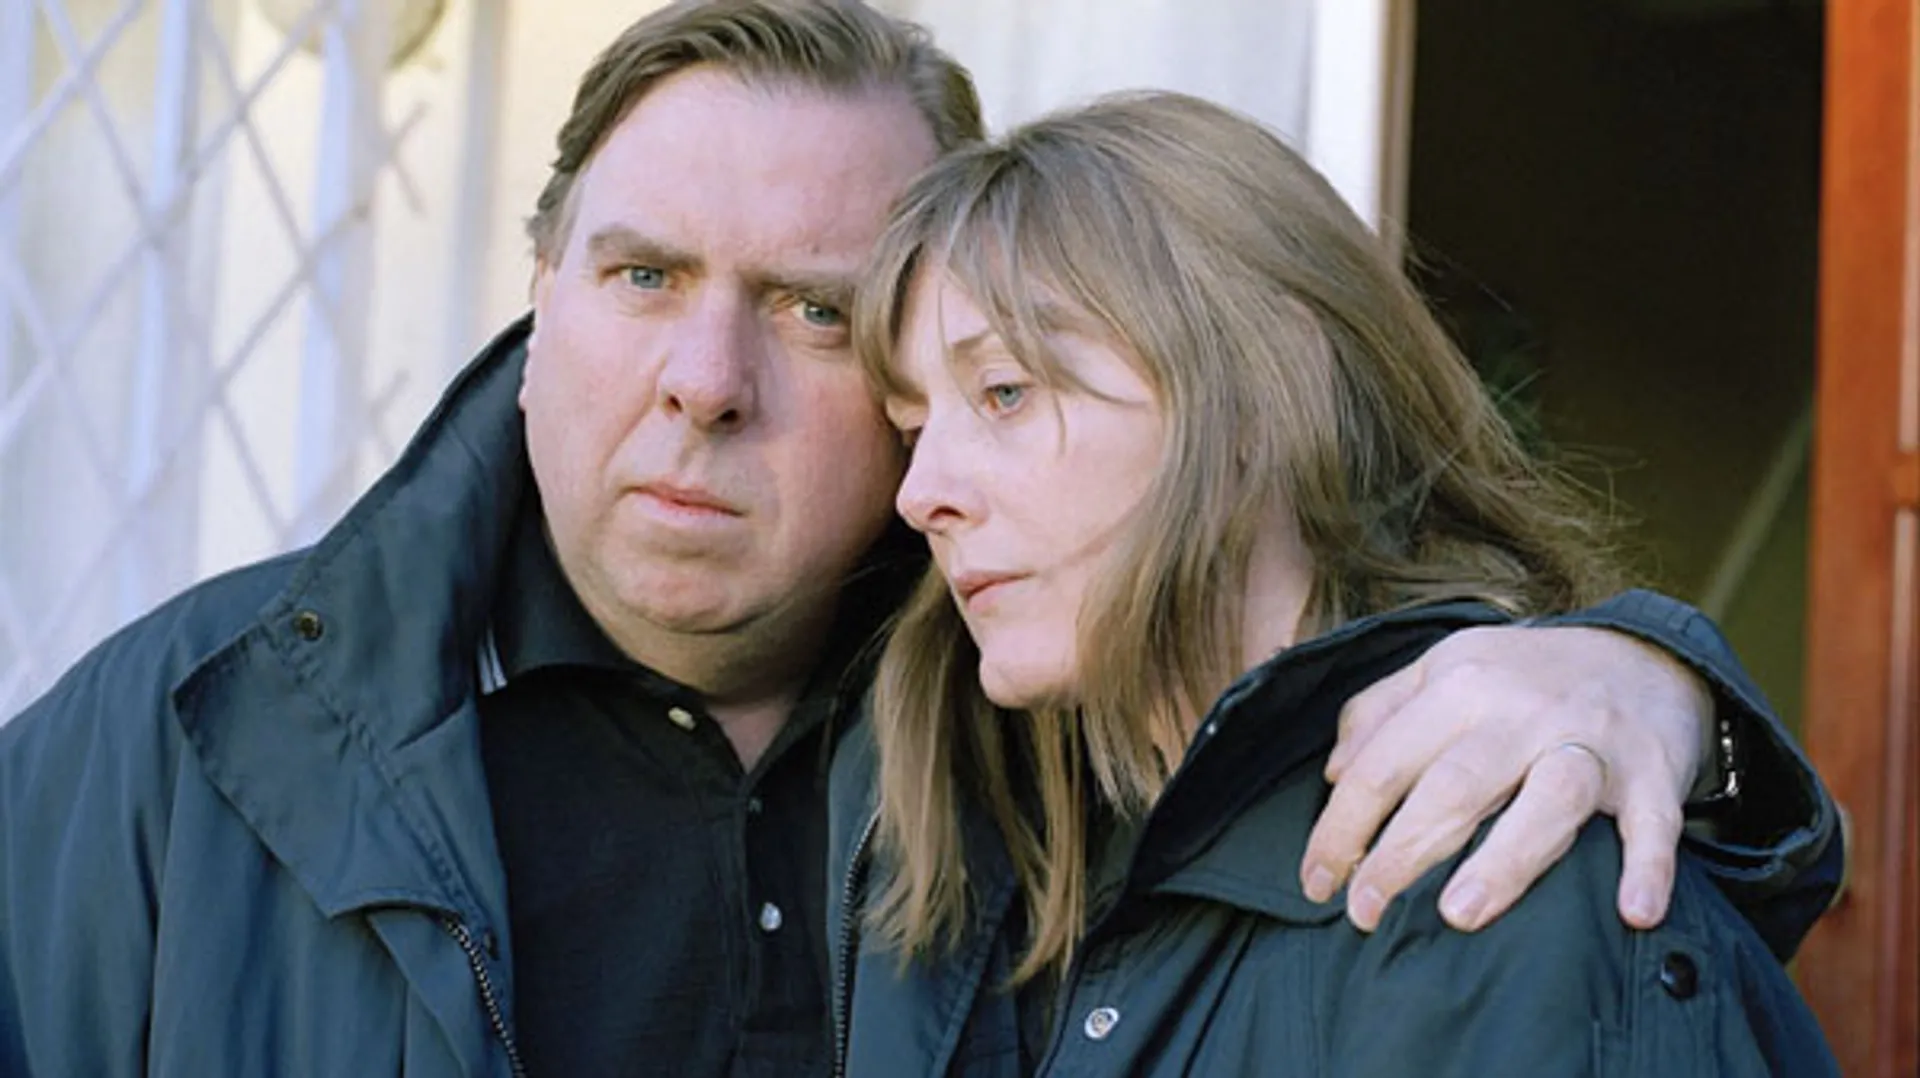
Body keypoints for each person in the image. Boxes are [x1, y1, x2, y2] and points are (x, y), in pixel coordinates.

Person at [0, 2, 1835, 1076]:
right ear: (540, 284)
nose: (705, 379)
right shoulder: (173, 752)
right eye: (642, 275)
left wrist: (1657, 686)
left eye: (813, 312)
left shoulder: (1068, 718)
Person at [832, 90, 1837, 1077]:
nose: (922, 495)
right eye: (914, 430)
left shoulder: (1499, 868)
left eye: (1006, 391)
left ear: (1262, 386)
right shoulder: (950, 828)